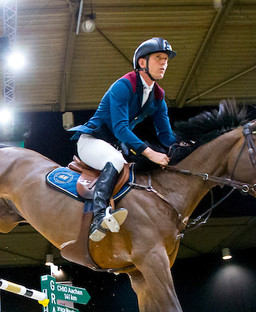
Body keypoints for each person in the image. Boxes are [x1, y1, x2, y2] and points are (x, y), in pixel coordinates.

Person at [69, 37, 178, 242]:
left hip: (114, 146)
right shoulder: (123, 85)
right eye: (158, 58)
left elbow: (166, 135)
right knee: (117, 161)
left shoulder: (158, 96)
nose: (164, 63)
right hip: (92, 140)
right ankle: (98, 217)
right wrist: (150, 152)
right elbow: (120, 128)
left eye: (166, 59)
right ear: (142, 62)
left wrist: (184, 146)